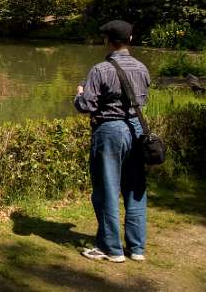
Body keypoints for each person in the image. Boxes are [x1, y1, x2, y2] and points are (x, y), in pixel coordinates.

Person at [74, 20, 149, 263]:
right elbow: (142, 100)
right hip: (136, 130)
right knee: (135, 190)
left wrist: (79, 94)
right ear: (129, 39)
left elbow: (86, 106)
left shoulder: (100, 70)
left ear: (107, 40)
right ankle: (137, 248)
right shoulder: (142, 68)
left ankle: (111, 249)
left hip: (110, 131)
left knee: (107, 190)